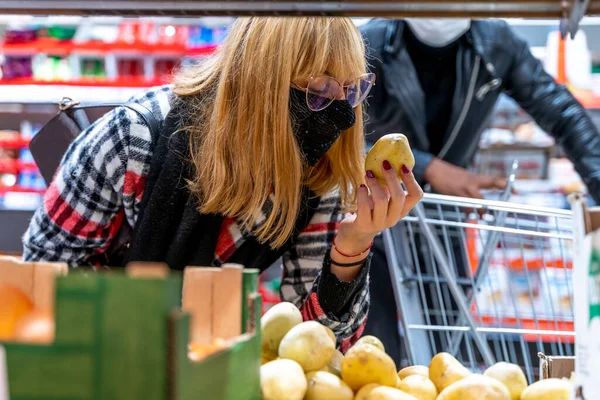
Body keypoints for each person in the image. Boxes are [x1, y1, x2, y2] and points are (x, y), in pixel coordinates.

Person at [22, 17, 423, 350]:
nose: (340, 118)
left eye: (351, 92)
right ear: (259, 86)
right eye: (318, 91)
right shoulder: (132, 140)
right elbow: (42, 273)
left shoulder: (320, 174)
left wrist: (352, 246)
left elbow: (317, 348)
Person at [360, 18, 600, 364]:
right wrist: (429, 169)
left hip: (443, 228)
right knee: (374, 355)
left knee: (446, 362)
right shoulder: (370, 43)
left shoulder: (496, 45)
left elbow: (562, 114)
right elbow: (340, 134)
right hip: (374, 223)